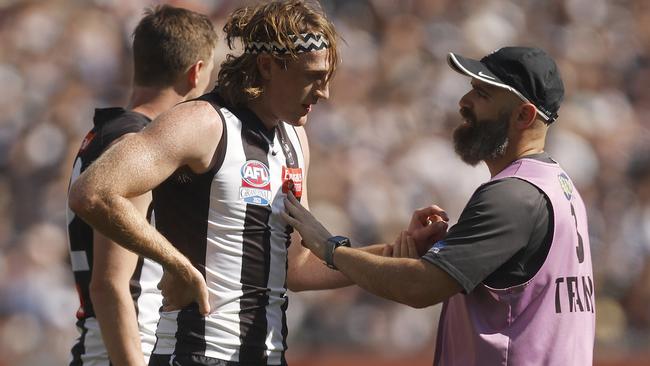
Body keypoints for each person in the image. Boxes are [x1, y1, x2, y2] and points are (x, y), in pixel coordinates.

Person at [69, 1, 448, 365]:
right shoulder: (202, 122)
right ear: (267, 66)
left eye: (328, 78)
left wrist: (394, 251)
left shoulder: (295, 139)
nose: (325, 92)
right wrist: (178, 265)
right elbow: (93, 191)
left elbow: (294, 267)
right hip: (195, 355)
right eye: (312, 77)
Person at [282, 46, 595, 365]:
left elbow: (418, 287)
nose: (464, 102)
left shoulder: (514, 195)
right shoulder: (557, 184)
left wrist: (329, 248)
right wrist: (436, 252)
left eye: (483, 94)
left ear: (524, 115)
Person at [66, 5, 218, 365]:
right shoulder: (134, 144)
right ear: (196, 73)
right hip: (121, 351)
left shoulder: (106, 133)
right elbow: (110, 283)